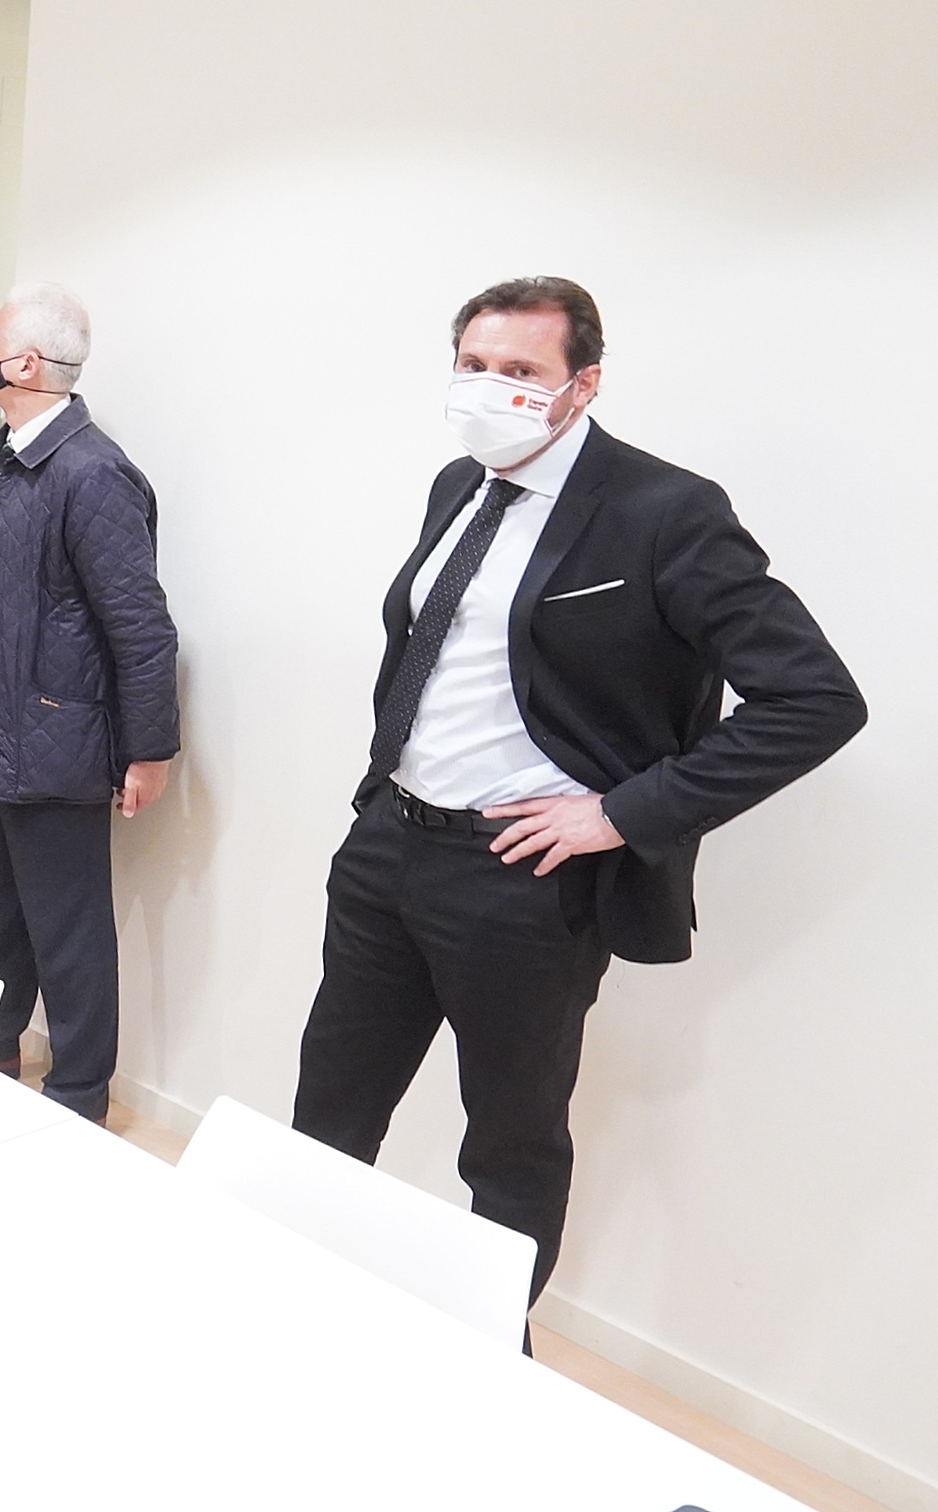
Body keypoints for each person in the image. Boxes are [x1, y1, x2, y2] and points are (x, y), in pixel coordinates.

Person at [291, 277, 866, 1308]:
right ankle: (291, 1310)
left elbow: (814, 699)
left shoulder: (663, 511)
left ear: (582, 384)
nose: (489, 388)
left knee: (508, 1148)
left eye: (520, 371)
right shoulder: (458, 485)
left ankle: (486, 1361)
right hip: (388, 849)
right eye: (473, 365)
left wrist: (618, 814)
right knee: (327, 1115)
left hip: (520, 878)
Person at [0, 283, 179, 1122]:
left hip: (53, 740)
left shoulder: (93, 473)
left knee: (68, 931)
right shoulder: (5, 455)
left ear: (26, 364)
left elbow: (140, 627)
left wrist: (149, 750)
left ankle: (77, 1096)